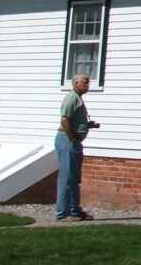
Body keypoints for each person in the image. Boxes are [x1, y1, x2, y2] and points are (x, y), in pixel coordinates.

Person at [55, 74, 95, 221]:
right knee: (66, 178)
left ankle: (75, 211)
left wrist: (86, 125)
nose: (87, 85)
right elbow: (64, 119)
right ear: (76, 83)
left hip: (74, 142)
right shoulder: (71, 98)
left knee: (74, 179)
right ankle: (62, 214)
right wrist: (71, 137)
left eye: (88, 83)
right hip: (67, 141)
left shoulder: (78, 98)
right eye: (84, 83)